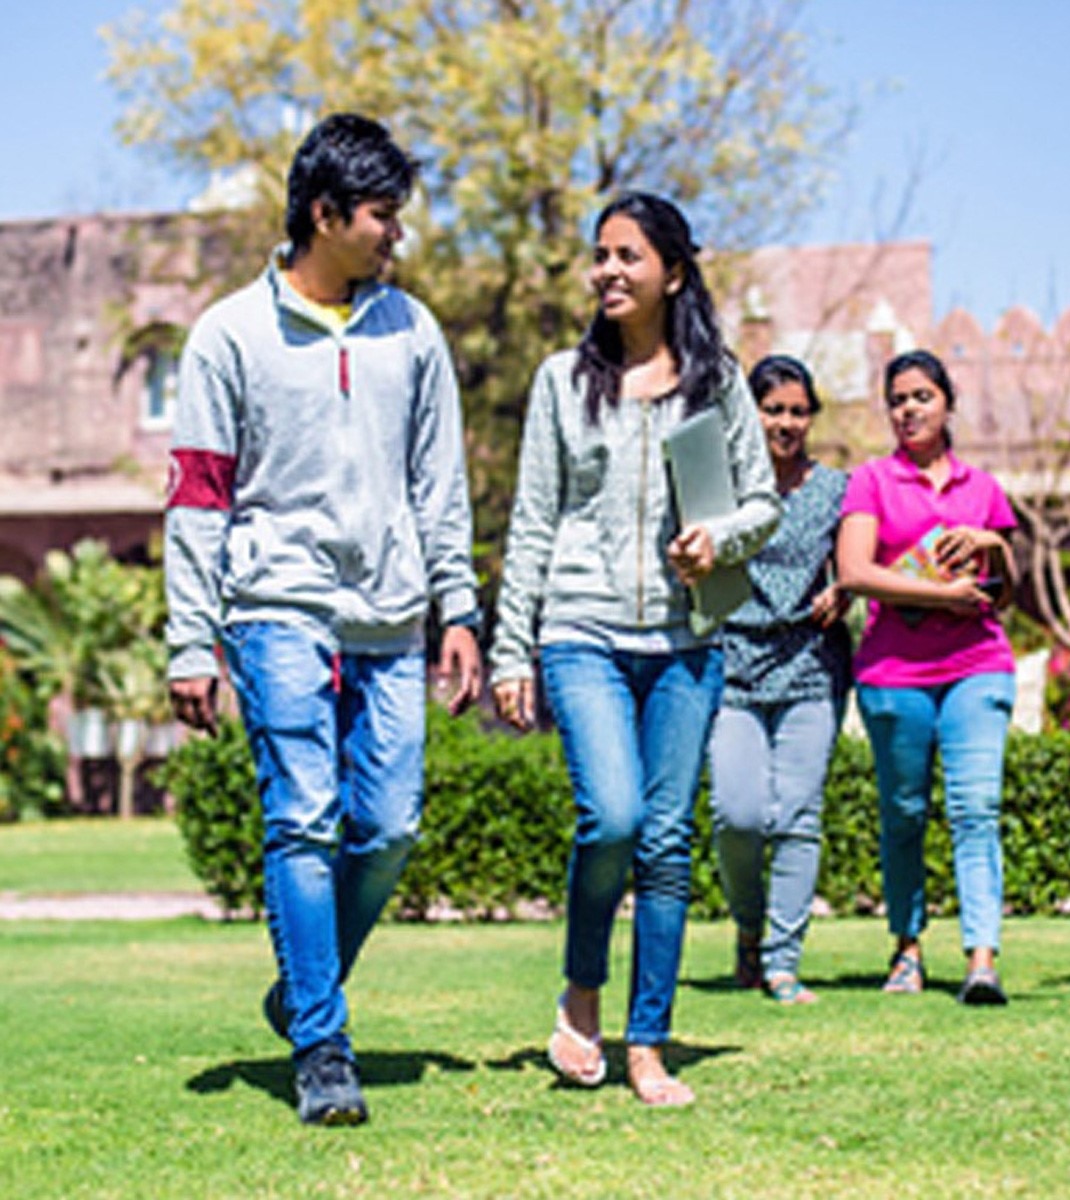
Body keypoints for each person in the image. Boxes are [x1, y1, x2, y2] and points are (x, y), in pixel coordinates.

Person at [164, 113, 482, 1125]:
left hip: (390, 618)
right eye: (385, 216)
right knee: (301, 815)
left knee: (388, 827)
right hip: (275, 606)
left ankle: (304, 984)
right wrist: (189, 637)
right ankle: (322, 1046)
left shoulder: (412, 331)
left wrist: (458, 609)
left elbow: (441, 485)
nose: (399, 236)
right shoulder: (229, 336)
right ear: (325, 213)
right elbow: (199, 499)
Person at [489, 192, 779, 1107]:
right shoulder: (561, 381)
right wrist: (510, 652)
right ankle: (582, 991)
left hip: (688, 640)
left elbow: (762, 505)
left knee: (665, 840)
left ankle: (647, 1040)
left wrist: (720, 541)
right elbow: (532, 520)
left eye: (628, 256)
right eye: (600, 256)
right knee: (611, 817)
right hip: (581, 631)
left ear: (674, 272)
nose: (608, 271)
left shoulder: (719, 383)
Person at [836, 348, 1018, 1005]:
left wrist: (994, 545)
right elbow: (854, 572)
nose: (908, 409)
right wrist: (943, 596)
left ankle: (981, 961)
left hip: (978, 667)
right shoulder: (872, 482)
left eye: (921, 397)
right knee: (905, 814)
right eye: (897, 399)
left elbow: (1006, 593)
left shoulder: (983, 488)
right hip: (894, 675)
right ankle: (907, 950)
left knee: (976, 811)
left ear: (948, 403)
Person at [708, 354, 851, 1006]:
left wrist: (846, 588)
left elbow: (859, 557)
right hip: (730, 664)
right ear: (750, 412)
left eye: (798, 411)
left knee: (797, 815)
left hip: (808, 666)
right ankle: (748, 925)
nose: (786, 422)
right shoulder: (719, 485)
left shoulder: (836, 490)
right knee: (736, 814)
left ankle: (783, 959)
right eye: (773, 409)